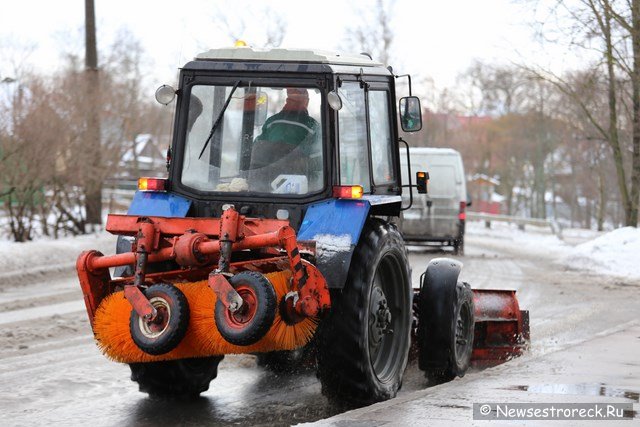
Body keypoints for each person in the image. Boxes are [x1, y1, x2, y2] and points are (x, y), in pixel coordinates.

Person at [250, 88, 321, 177]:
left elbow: (256, 148)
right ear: (305, 101)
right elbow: (320, 159)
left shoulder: (271, 122)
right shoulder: (313, 126)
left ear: (288, 100)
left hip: (267, 178)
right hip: (300, 180)